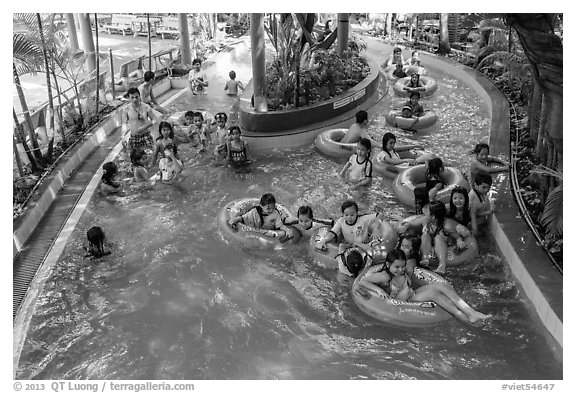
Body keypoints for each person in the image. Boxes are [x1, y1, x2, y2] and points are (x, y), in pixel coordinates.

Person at [358, 249, 490, 324]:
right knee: (433, 295)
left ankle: (470, 312)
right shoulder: (384, 276)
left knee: (440, 286)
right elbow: (363, 281)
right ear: (388, 265)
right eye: (396, 267)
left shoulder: (402, 272)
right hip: (402, 301)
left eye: (402, 266)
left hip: (411, 294)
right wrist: (378, 290)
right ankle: (464, 317)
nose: (400, 270)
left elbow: (407, 279)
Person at [314, 199, 385, 255]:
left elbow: (380, 215)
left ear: (357, 213)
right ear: (343, 214)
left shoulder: (363, 219)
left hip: (363, 245)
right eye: (346, 215)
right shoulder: (341, 221)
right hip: (348, 245)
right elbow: (333, 232)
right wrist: (324, 240)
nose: (349, 218)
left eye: (352, 215)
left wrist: (376, 229)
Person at [228, 193, 293, 239]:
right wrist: (234, 220)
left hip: (269, 234)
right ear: (261, 206)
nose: (271, 210)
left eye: (273, 208)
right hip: (254, 233)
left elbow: (280, 226)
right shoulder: (254, 212)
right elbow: (243, 218)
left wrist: (287, 230)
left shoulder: (275, 214)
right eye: (268, 208)